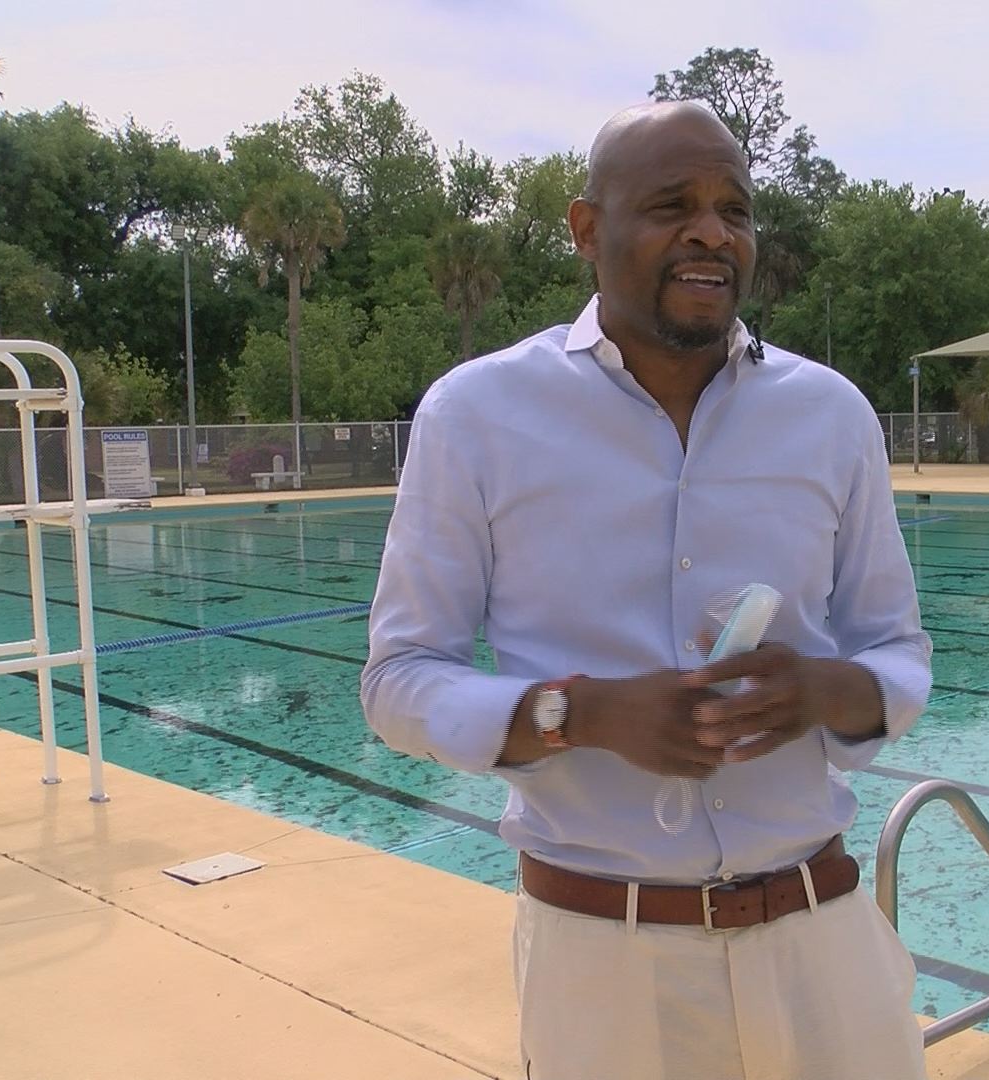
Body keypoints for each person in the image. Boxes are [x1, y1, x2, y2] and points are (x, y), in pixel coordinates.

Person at [360, 100, 932, 1080]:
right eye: (674, 204)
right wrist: (576, 714)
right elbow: (400, 680)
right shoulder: (479, 416)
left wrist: (820, 692)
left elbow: (898, 651)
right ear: (589, 229)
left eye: (734, 209)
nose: (713, 231)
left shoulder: (831, 416)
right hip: (605, 968)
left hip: (822, 943)